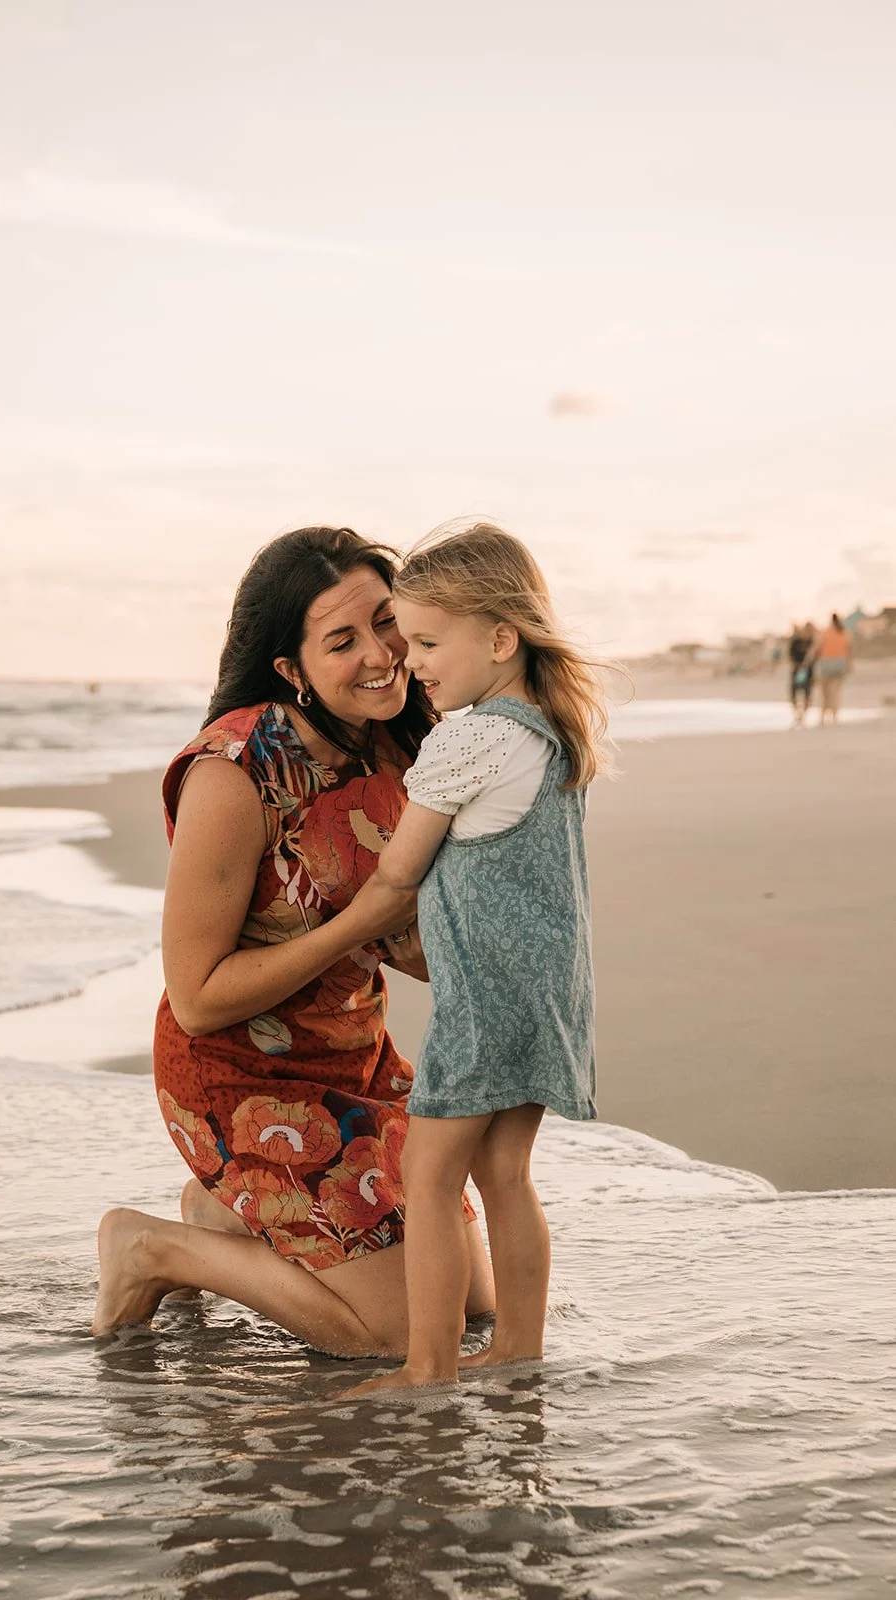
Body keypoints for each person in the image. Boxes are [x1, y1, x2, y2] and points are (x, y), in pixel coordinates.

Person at [92, 526, 495, 1354]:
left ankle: (220, 1214)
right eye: (341, 641)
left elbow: (408, 946)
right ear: (292, 671)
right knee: (399, 1333)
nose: (381, 653)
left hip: (354, 1059)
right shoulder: (234, 774)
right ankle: (154, 1248)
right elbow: (199, 999)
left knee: (475, 1302)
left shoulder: (402, 745)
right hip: (237, 1075)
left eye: (387, 622)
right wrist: (362, 921)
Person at [342, 522, 605, 1396]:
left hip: (484, 999)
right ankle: (517, 1349)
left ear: (499, 639)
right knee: (505, 1173)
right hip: (547, 992)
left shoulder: (465, 740)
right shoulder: (550, 730)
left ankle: (428, 1366)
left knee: (427, 1174)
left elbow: (401, 869)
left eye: (424, 640)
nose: (409, 661)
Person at [815, 612, 853, 725]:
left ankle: (822, 717)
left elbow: (817, 649)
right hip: (839, 662)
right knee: (835, 692)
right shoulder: (844, 633)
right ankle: (835, 717)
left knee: (824, 692)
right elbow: (848, 651)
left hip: (826, 662)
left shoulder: (824, 632)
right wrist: (850, 665)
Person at [788, 622, 818, 728]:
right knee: (794, 694)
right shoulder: (796, 641)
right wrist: (798, 665)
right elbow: (790, 656)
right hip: (797, 671)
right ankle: (797, 715)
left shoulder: (812, 643)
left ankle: (802, 716)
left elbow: (816, 659)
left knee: (807, 695)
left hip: (809, 672)